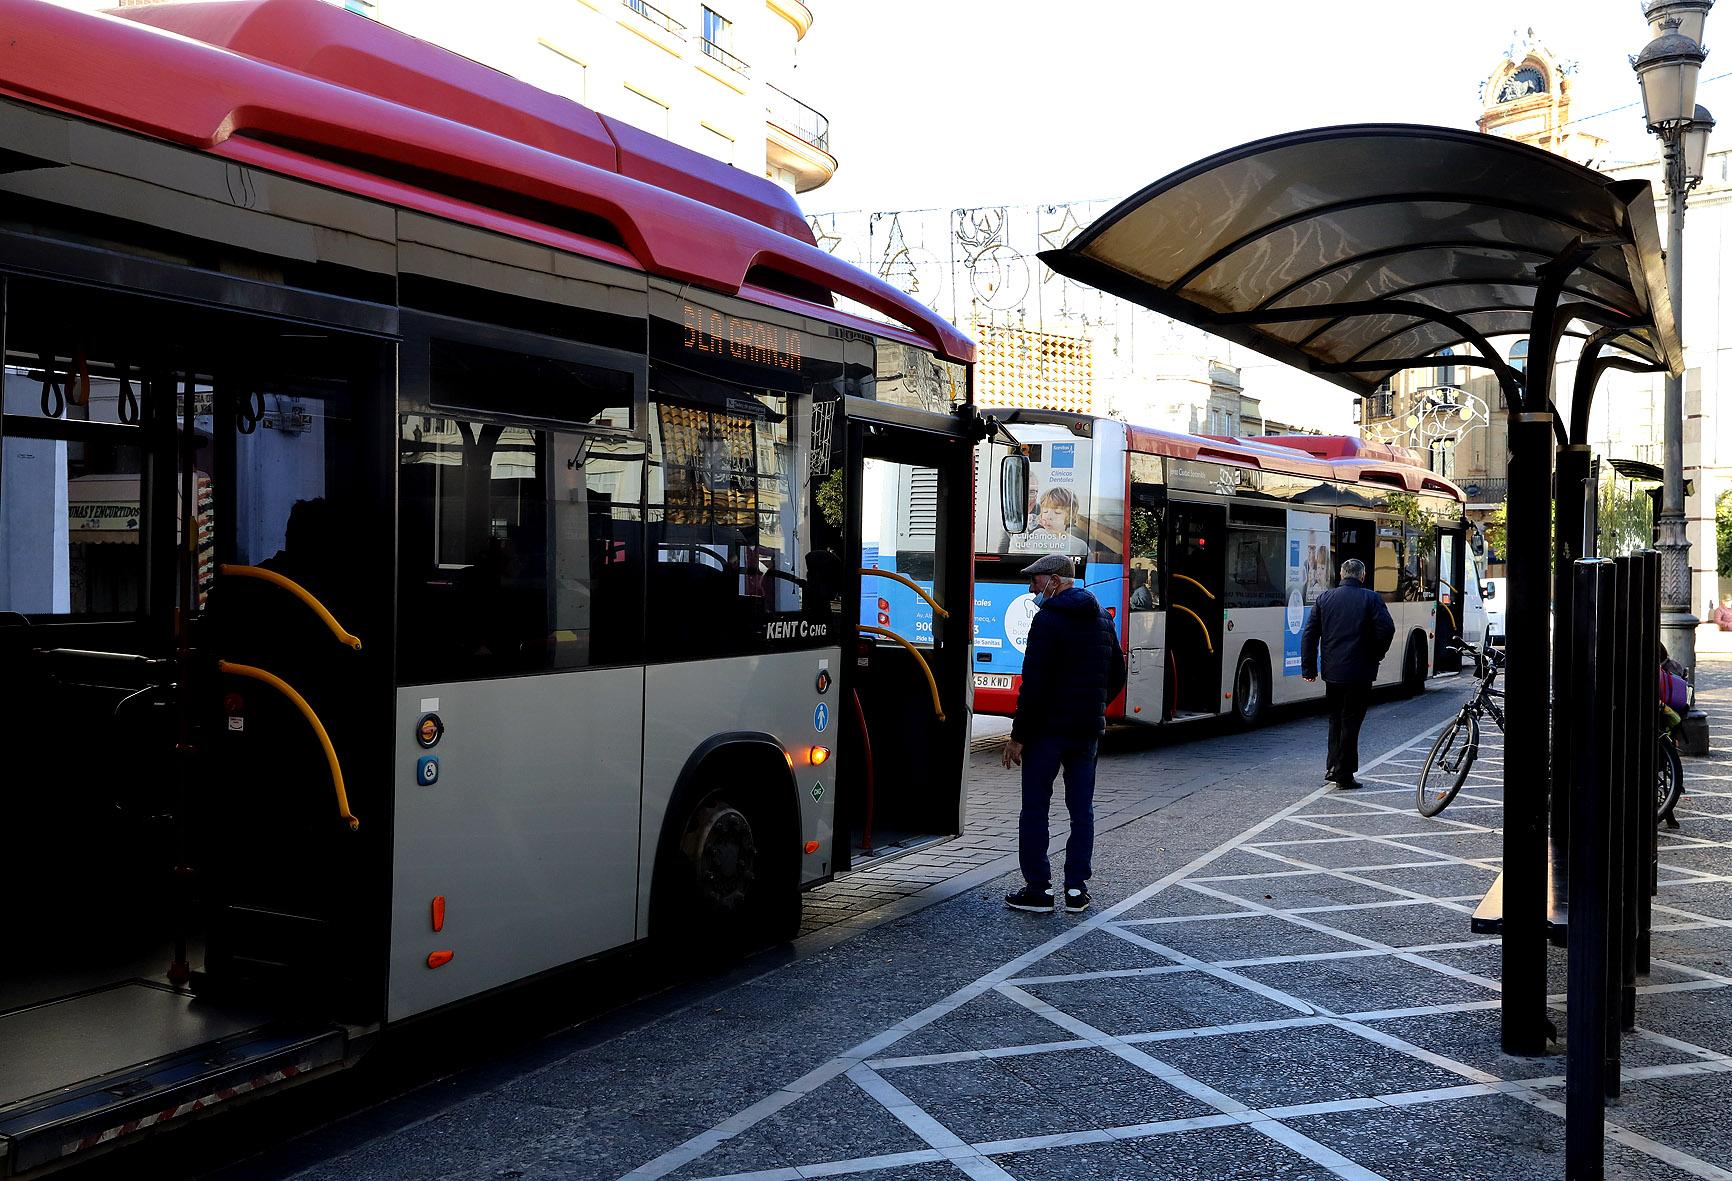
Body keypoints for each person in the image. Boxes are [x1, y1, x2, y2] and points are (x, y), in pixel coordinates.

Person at [1001, 553, 1126, 913]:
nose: (1031, 589)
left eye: (1036, 582)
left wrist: (1018, 736)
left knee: (1036, 809)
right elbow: (1116, 674)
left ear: (1055, 581)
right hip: (1086, 731)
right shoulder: (1102, 618)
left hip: (1046, 733)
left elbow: (1034, 685)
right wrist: (1094, 706)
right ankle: (1076, 890)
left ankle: (1038, 891)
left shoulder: (1048, 620)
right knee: (1081, 809)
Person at [1301, 557, 1395, 790]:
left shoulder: (1324, 598)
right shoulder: (1371, 599)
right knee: (1351, 721)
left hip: (1332, 672)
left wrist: (1309, 668)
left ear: (1342, 575)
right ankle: (1343, 773)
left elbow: (1310, 634)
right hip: (1360, 672)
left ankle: (1332, 767)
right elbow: (1387, 629)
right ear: (1362, 576)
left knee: (1335, 720)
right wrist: (1376, 654)